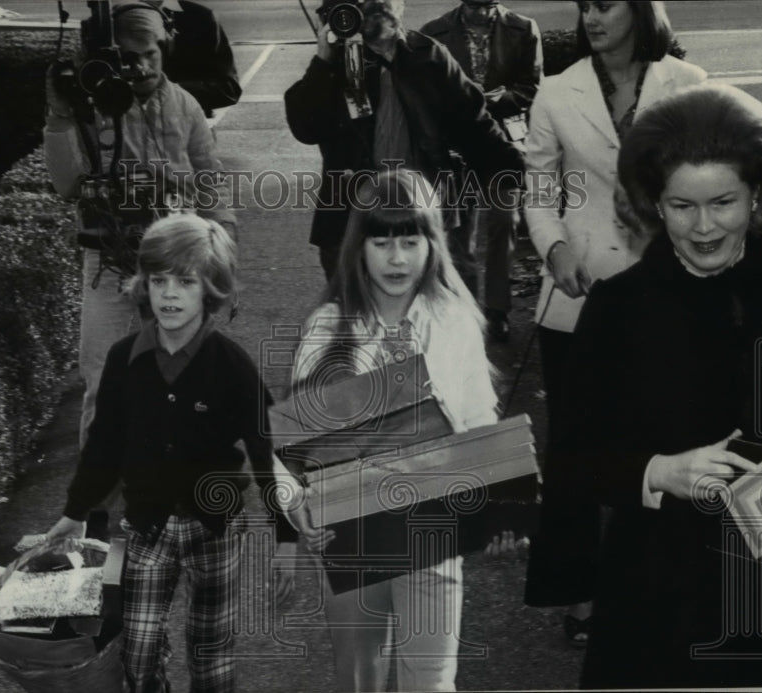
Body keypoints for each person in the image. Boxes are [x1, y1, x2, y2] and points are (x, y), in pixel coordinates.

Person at [565, 83, 762, 688]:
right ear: (653, 205)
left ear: (759, 195)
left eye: (724, 202)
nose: (705, 226)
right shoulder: (617, 307)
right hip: (651, 588)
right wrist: (656, 471)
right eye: (682, 206)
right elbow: (573, 461)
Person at [45, 214, 307, 693]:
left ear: (211, 289)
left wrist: (286, 539)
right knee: (137, 652)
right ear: (143, 284)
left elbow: (268, 450)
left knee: (211, 653)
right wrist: (74, 512)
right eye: (159, 280)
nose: (169, 294)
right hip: (145, 525)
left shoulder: (232, 366)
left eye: (185, 282)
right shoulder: (125, 360)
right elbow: (103, 443)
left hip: (217, 529)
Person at [521, 0, 705, 646]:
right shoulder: (554, 92)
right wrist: (556, 249)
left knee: (665, 439)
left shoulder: (689, 85)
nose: (591, 17)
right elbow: (538, 189)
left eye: (606, 5)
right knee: (576, 447)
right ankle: (579, 592)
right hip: (578, 297)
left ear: (641, 10)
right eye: (584, 6)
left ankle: (666, 582)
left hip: (669, 297)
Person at [290, 170, 513, 692]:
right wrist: (296, 499)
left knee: (431, 679)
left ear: (433, 244)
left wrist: (504, 503)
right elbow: (297, 443)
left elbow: (480, 419)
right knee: (359, 674)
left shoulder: (455, 319)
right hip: (351, 525)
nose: (396, 259)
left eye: (411, 242)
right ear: (358, 247)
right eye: (382, 242)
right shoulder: (328, 325)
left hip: (434, 523)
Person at [43, 0, 236, 448]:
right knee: (104, 376)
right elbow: (67, 184)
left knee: (184, 372)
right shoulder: (90, 107)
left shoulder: (185, 104)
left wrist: (226, 247)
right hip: (108, 263)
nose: (143, 65)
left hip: (176, 263)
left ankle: (178, 479)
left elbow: (210, 182)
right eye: (130, 57)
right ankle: (96, 494)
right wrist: (60, 116)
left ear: (165, 46)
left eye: (151, 53)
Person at [285, 0, 525, 285]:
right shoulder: (338, 63)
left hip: (423, 214)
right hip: (354, 218)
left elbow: (475, 126)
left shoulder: (428, 55)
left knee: (437, 309)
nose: (375, 7)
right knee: (356, 315)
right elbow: (306, 128)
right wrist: (323, 62)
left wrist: (520, 172)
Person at [420, 0, 544, 341]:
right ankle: (468, 310)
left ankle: (498, 309)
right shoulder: (435, 33)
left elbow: (533, 86)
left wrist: (501, 99)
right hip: (457, 149)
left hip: (501, 145)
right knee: (460, 235)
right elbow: (428, 96)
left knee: (504, 221)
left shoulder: (523, 28)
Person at [143, 0, 242, 117]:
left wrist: (163, 93)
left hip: (187, 126)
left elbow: (228, 90)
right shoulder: (118, 18)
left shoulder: (200, 17)